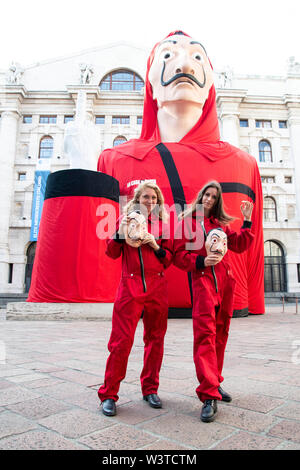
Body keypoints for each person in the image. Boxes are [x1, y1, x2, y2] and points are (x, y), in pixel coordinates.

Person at [98, 30, 264, 318]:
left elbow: (246, 246)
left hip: (218, 297)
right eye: (167, 56)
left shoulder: (244, 163)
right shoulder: (115, 159)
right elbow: (106, 248)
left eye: (197, 57)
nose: (184, 66)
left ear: (211, 83)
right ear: (149, 83)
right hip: (139, 295)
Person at [173, 181, 254, 422]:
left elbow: (239, 245)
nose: (209, 199)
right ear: (200, 195)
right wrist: (200, 262)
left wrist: (247, 221)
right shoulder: (187, 223)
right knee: (205, 336)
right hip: (203, 284)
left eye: (214, 197)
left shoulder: (219, 225)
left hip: (226, 283)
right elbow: (178, 256)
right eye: (206, 194)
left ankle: (214, 382)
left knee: (221, 334)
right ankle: (208, 395)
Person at [98, 182, 173, 416]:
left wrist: (154, 244)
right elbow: (111, 252)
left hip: (157, 285)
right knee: (120, 342)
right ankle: (109, 394)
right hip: (129, 285)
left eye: (154, 198)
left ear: (157, 201)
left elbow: (168, 259)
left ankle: (150, 389)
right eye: (145, 197)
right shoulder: (124, 221)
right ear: (137, 199)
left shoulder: (163, 226)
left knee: (155, 340)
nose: (150, 201)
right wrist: (120, 233)